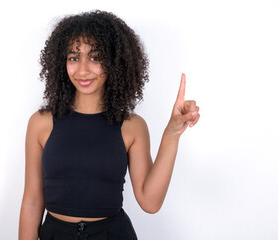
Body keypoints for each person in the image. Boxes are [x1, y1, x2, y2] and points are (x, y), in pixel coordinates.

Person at [18, 10, 200, 240]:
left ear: (115, 62)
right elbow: (33, 200)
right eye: (73, 57)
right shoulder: (41, 123)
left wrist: (172, 133)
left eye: (95, 57)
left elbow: (150, 202)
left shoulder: (132, 126)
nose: (83, 69)